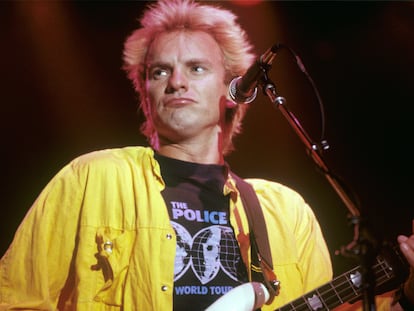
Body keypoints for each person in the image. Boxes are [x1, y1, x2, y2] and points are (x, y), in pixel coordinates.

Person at [0, 0, 412, 310]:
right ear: (145, 93)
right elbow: (15, 299)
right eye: (159, 71)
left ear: (235, 90)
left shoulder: (286, 212)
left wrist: (405, 297)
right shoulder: (92, 178)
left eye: (196, 68)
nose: (176, 81)